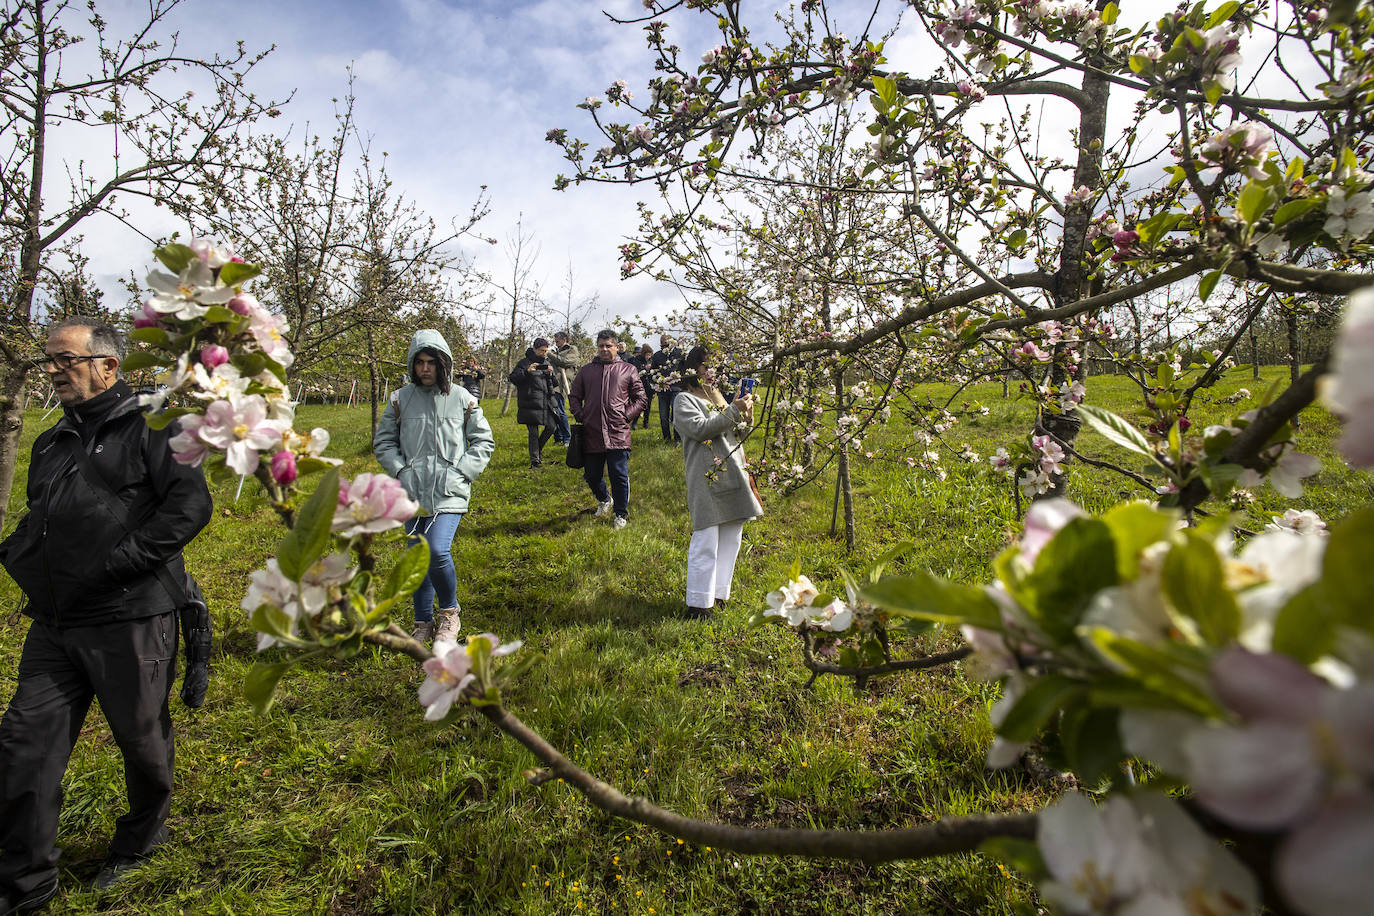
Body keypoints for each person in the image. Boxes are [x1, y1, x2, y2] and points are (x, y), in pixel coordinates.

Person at [0, 317, 213, 906]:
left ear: (107, 366)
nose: (52, 371)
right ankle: (24, 882)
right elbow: (41, 511)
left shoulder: (157, 423)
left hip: (130, 617)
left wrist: (119, 563)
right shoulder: (53, 438)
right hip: (55, 622)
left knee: (142, 741)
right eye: (48, 361)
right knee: (24, 744)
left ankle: (141, 839)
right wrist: (18, 552)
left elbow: (190, 507)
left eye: (63, 361)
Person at [374, 330, 494, 645]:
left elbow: (483, 440)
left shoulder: (463, 399)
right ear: (412, 365)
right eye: (419, 363)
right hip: (412, 492)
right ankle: (422, 622)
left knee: (437, 550)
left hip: (449, 493)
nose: (425, 369)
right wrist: (401, 470)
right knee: (418, 557)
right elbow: (384, 441)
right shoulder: (400, 399)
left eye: (431, 363)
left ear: (443, 365)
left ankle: (449, 615)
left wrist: (462, 472)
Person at [673, 346, 762, 618]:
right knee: (706, 538)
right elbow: (700, 429)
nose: (712, 371)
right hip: (706, 475)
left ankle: (718, 594)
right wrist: (733, 411)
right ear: (694, 368)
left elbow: (734, 429)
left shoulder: (718, 395)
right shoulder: (684, 400)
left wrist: (745, 414)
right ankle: (698, 604)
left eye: (715, 366)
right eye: (706, 365)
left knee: (732, 537)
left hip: (733, 469)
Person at [569, 330, 648, 529]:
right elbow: (574, 396)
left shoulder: (628, 369)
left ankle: (620, 513)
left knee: (618, 475)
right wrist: (581, 415)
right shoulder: (586, 371)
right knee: (592, 474)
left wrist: (626, 415)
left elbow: (641, 398)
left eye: (608, 345)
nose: (604, 349)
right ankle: (604, 499)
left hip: (617, 431)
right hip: (592, 431)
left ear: (616, 347)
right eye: (601, 346)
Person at [510, 338, 559, 468]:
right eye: (542, 351)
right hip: (529, 402)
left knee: (552, 427)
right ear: (535, 349)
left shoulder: (546, 363)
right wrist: (527, 371)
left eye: (546, 351)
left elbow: (555, 384)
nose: (544, 353)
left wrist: (551, 374)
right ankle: (535, 460)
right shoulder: (524, 362)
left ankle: (537, 451)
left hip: (546, 402)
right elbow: (513, 378)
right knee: (533, 432)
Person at [545, 331, 580, 446]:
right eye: (555, 341)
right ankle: (558, 437)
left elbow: (565, 362)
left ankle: (567, 438)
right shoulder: (556, 352)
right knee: (552, 412)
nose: (556, 343)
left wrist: (550, 355)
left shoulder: (572, 349)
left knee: (560, 411)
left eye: (558, 340)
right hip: (551, 384)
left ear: (564, 339)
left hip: (561, 385)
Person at [649, 334, 685, 443]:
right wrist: (659, 381)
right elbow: (652, 373)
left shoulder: (680, 353)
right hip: (662, 390)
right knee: (663, 416)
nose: (664, 347)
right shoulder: (657, 356)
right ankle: (667, 439)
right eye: (662, 345)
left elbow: (685, 370)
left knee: (676, 415)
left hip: (677, 389)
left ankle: (677, 439)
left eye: (666, 344)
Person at [629, 343, 656, 429]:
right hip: (640, 386)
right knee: (639, 405)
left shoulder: (652, 360)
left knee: (648, 406)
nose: (648, 356)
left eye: (650, 355)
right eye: (647, 355)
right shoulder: (637, 360)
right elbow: (636, 370)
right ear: (643, 354)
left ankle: (646, 423)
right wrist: (644, 368)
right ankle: (634, 423)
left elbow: (654, 373)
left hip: (650, 386)